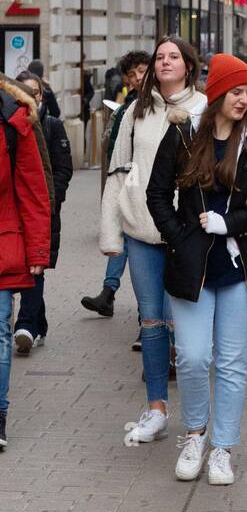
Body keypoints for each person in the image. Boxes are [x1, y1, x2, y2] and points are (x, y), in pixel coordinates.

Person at [146, 55, 247, 485]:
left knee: (230, 363)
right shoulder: (185, 135)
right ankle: (194, 434)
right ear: (217, 93)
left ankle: (223, 448)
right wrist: (180, 237)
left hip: (241, 268)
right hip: (193, 266)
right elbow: (157, 194)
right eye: (236, 91)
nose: (244, 99)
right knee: (191, 357)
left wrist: (234, 223)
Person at [100, 36, 206, 444]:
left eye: (173, 56)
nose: (164, 62)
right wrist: (112, 231)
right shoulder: (136, 111)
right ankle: (157, 407)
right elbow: (117, 170)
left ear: (188, 66)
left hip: (187, 229)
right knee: (151, 320)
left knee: (183, 319)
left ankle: (196, 417)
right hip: (142, 228)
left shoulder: (203, 109)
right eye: (159, 56)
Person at [0, 73, 52, 448]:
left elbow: (34, 191)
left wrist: (37, 251)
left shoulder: (14, 119)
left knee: (0, 332)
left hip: (3, 244)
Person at [83, 50, 150, 319]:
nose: (137, 78)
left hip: (160, 184)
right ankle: (110, 293)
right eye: (132, 74)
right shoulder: (127, 108)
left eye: (142, 71)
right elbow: (113, 145)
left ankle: (142, 312)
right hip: (132, 176)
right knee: (125, 232)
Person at [13, 74, 73, 353]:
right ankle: (37, 323)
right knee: (26, 268)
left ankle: (25, 324)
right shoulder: (11, 125)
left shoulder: (52, 125)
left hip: (44, 210)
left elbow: (64, 169)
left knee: (36, 268)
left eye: (34, 92)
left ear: (41, 96)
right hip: (14, 211)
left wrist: (53, 199)